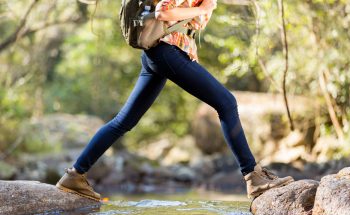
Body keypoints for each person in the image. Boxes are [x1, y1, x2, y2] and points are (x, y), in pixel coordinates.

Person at [56, 0, 294, 201]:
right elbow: (163, 11)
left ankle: (74, 176)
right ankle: (253, 177)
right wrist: (202, 9)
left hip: (159, 53)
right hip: (168, 51)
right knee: (227, 103)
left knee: (123, 121)